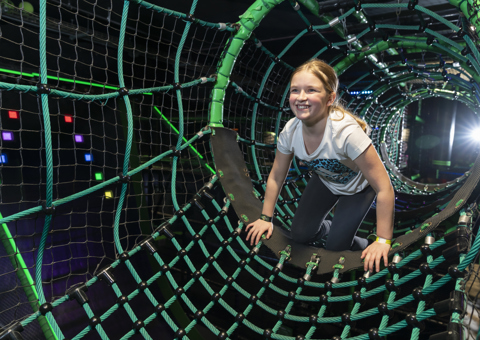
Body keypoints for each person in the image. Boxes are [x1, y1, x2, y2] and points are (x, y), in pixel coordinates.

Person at [245, 59, 394, 273]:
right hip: (325, 182)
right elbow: (277, 176)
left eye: (311, 90)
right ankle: (331, 229)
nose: (302, 97)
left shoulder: (346, 134)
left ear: (330, 98)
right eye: (295, 90)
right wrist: (265, 219)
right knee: (299, 235)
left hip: (359, 189)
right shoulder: (291, 131)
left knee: (335, 249)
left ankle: (363, 243)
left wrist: (383, 240)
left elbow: (384, 187)